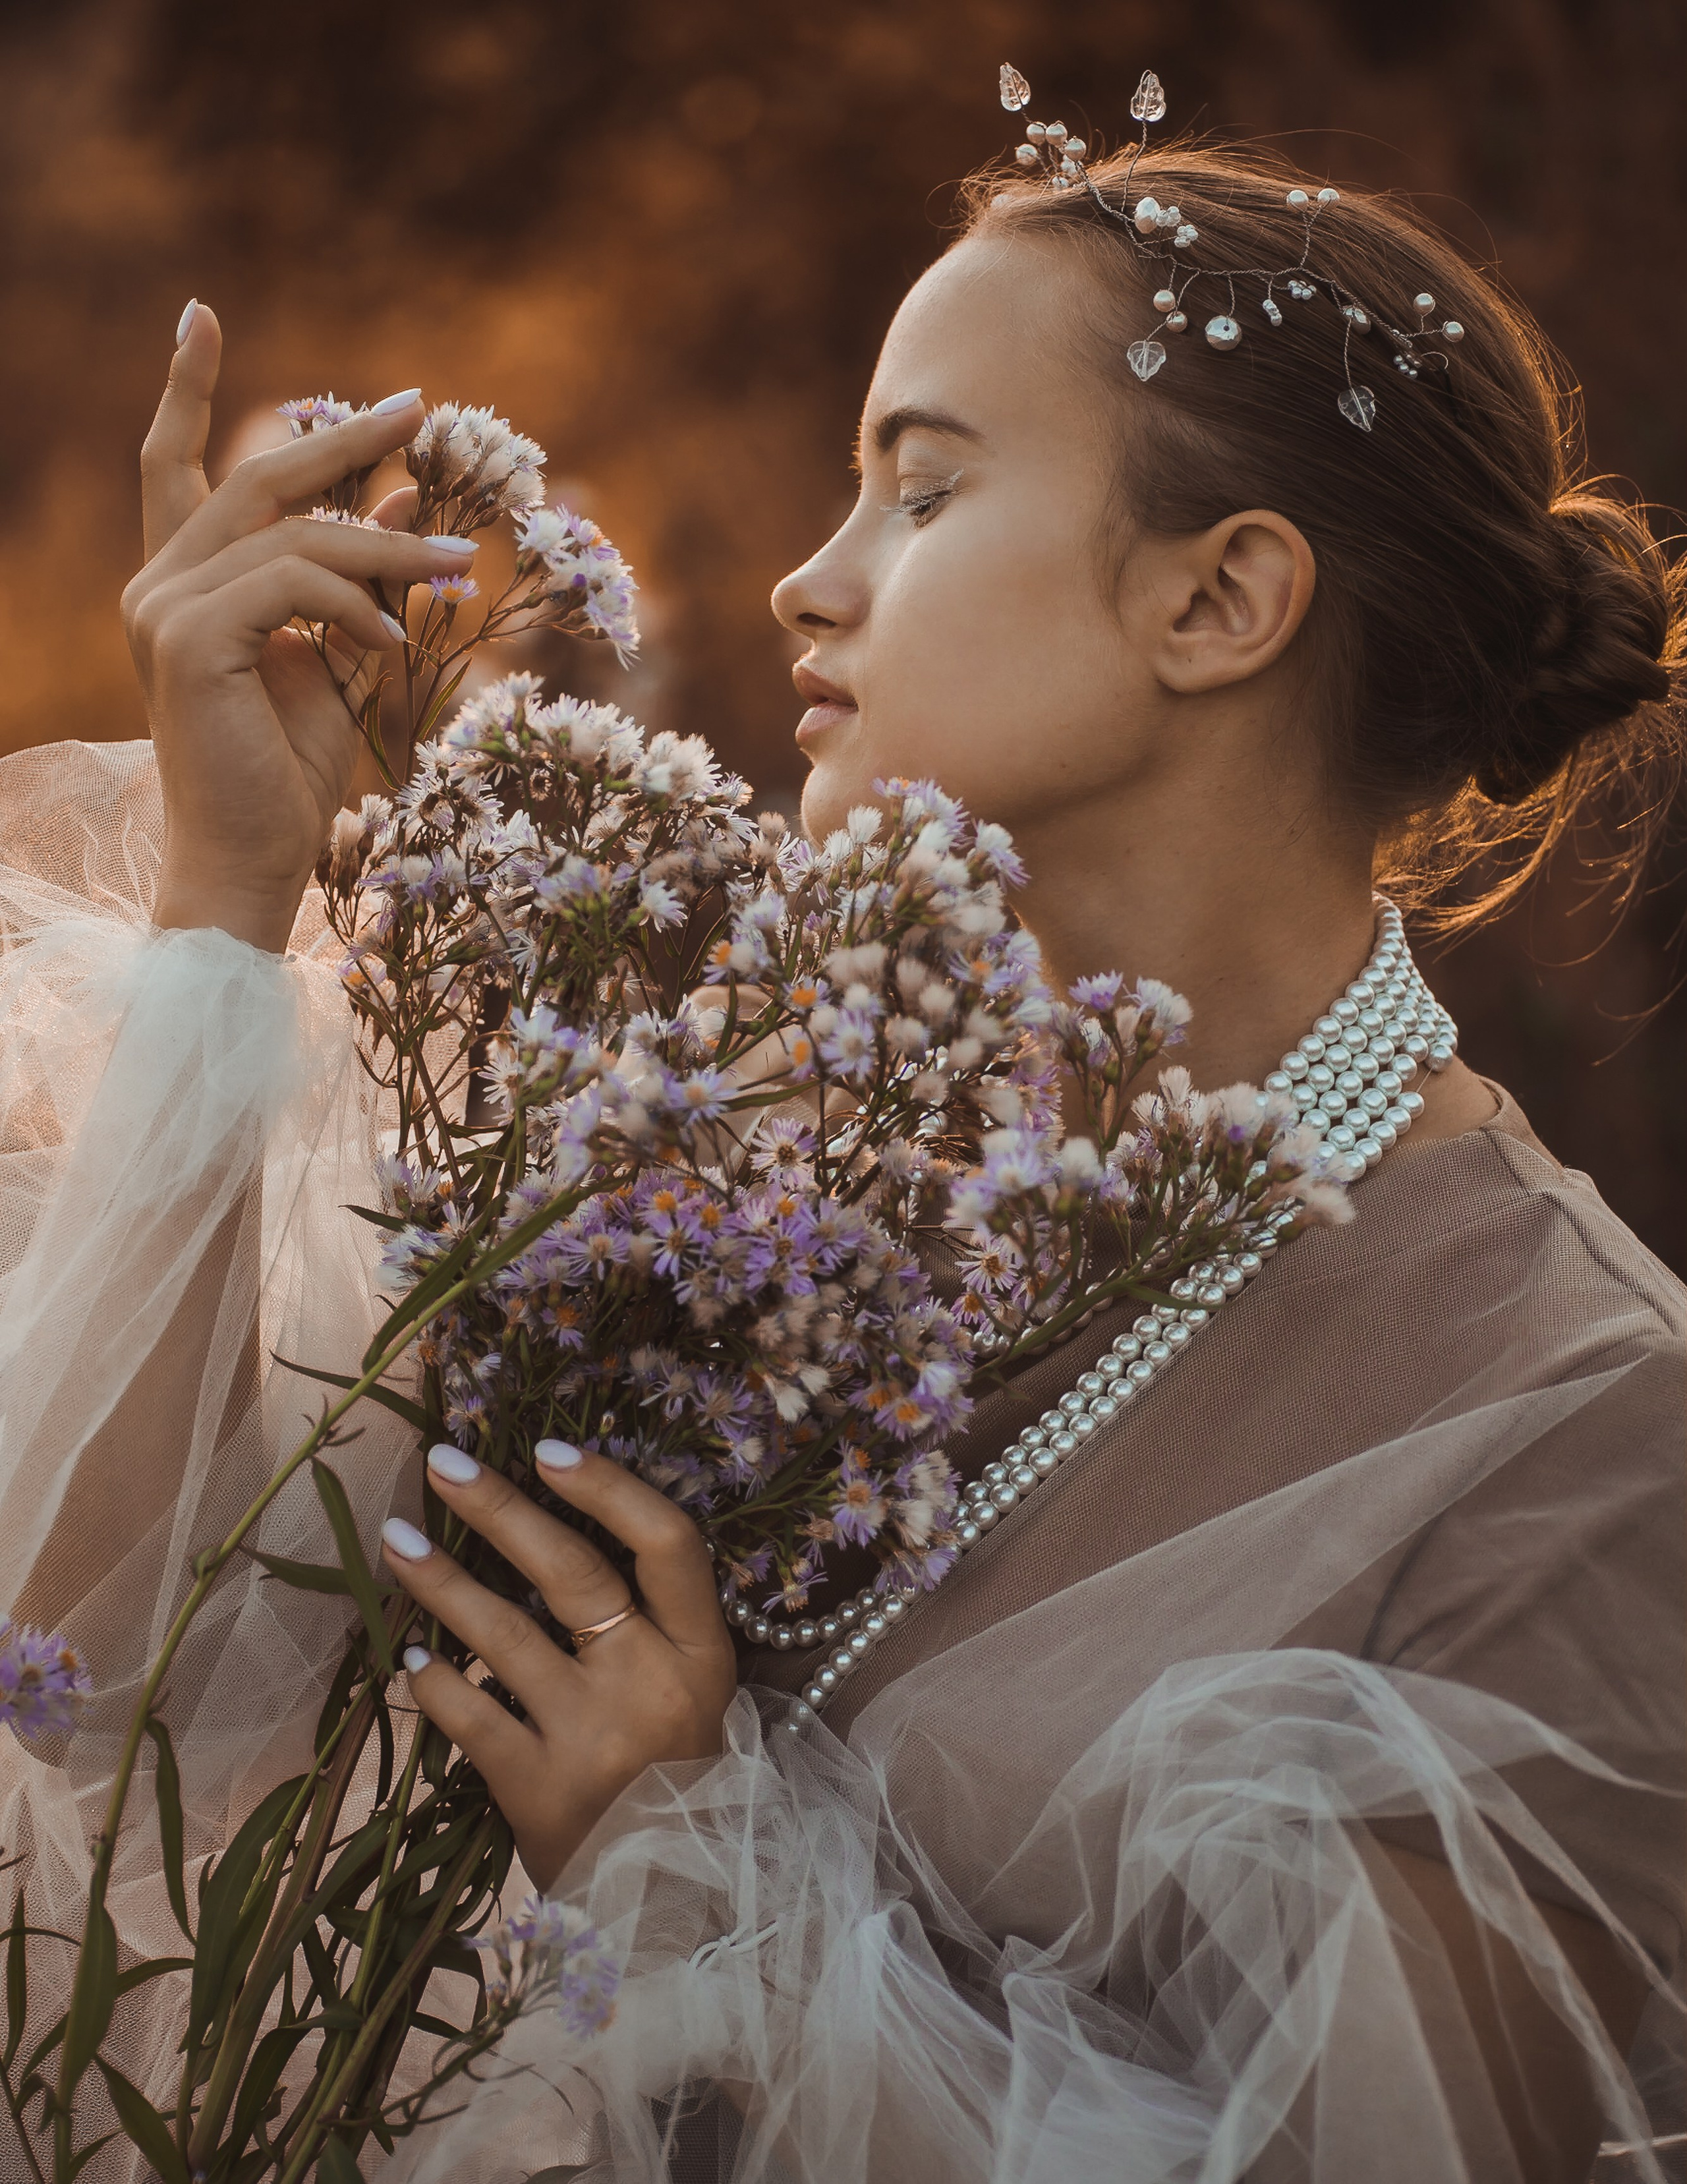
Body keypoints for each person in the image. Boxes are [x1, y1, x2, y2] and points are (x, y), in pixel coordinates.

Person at [0, 124, 1681, 2184]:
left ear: (1222, 595)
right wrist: (230, 891)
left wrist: (683, 1879)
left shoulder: (1583, 1424)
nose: (813, 575)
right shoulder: (729, 1141)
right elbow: (93, 1678)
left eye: (928, 484)